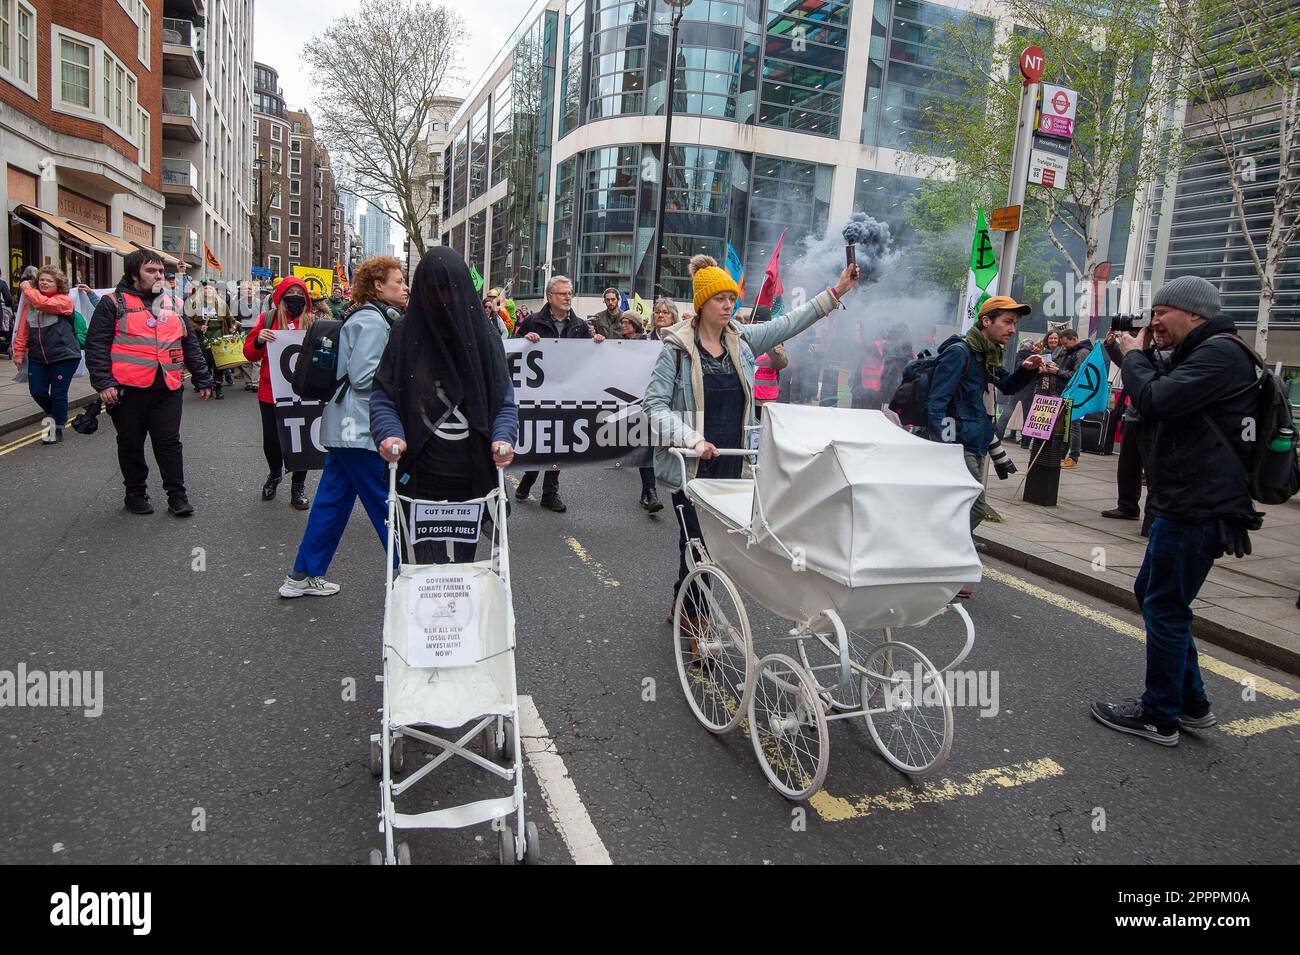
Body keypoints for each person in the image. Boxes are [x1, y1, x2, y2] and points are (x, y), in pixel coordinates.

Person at [645, 254, 860, 626]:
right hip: (692, 463)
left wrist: (836, 291)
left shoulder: (742, 341)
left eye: (731, 298)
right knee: (698, 544)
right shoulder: (675, 350)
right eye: (720, 299)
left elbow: (790, 323)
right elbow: (654, 407)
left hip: (733, 458)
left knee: (709, 546)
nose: (729, 305)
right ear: (701, 304)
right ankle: (697, 622)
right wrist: (693, 439)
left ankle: (683, 604)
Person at [1091, 276, 1261, 745]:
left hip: (1199, 503)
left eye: (1163, 312)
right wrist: (1124, 353)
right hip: (1186, 498)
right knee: (1156, 595)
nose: (1155, 321)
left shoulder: (1221, 354)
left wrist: (1134, 357)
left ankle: (1159, 714)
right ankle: (1191, 704)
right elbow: (1160, 384)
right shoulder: (1205, 351)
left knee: (1164, 605)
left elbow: (1155, 398)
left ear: (1194, 313)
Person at [370, 248, 519, 563]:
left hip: (473, 480)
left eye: (449, 291)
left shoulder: (484, 337)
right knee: (425, 575)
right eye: (434, 292)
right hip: (419, 480)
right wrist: (389, 434)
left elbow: (505, 400)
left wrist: (503, 436)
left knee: (466, 577)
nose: (443, 301)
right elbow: (383, 395)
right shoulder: (404, 334)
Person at [278, 256, 407, 597]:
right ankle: (410, 574)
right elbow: (365, 377)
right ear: (379, 286)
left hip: (344, 426)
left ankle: (302, 575)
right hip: (362, 430)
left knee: (331, 504)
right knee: (387, 504)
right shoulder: (375, 322)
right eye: (398, 281)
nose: (404, 287)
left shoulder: (364, 317)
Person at [84, 249, 214, 515]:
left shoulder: (175, 304)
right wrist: (104, 383)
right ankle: (135, 492)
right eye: (150, 271)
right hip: (127, 391)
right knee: (131, 443)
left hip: (167, 388)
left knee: (168, 442)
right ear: (134, 275)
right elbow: (96, 346)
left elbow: (189, 344)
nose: (158, 276)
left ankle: (177, 496)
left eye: (160, 271)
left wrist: (202, 377)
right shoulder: (112, 303)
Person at [927, 296, 1045, 535]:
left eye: (1015, 323)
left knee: (960, 507)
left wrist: (1026, 370)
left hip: (977, 441)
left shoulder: (985, 354)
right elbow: (936, 403)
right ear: (986, 321)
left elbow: (1008, 386)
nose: (1012, 329)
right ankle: (939, 547)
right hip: (959, 444)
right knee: (975, 508)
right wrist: (944, 445)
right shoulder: (961, 352)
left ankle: (950, 549)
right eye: (1007, 322)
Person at [512, 274, 606, 512]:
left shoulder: (580, 325)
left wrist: (596, 343)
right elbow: (513, 351)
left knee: (560, 443)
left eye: (570, 293)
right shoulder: (532, 322)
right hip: (538, 394)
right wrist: (525, 340)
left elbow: (587, 357)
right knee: (541, 441)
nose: (568, 297)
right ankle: (528, 479)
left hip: (567, 394)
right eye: (563, 293)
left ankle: (549, 493)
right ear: (550, 296)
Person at [243, 276, 314, 508]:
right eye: (291, 292)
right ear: (282, 296)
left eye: (300, 293)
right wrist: (259, 341)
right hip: (270, 391)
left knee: (300, 441)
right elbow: (249, 354)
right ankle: (274, 474)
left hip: (302, 394)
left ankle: (298, 485)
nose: (295, 297)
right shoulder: (268, 318)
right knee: (272, 440)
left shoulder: (311, 322)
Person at [10, 266, 85, 444]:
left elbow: (43, 303)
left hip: (64, 355)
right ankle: (59, 412)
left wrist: (27, 288)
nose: (44, 282)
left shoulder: (64, 301)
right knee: (37, 391)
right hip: (38, 357)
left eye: (49, 280)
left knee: (59, 393)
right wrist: (18, 352)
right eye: (41, 280)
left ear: (58, 284)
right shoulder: (31, 303)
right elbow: (23, 330)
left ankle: (55, 429)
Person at [616, 310, 664, 513]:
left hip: (646, 399)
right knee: (640, 444)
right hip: (624, 400)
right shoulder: (615, 344)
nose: (624, 325)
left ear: (636, 324)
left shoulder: (649, 345)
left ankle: (650, 492)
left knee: (647, 445)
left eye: (628, 322)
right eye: (622, 322)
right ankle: (649, 492)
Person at [1053, 328, 1093, 468]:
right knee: (1066, 426)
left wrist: (1058, 371)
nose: (1064, 346)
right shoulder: (1073, 351)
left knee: (1073, 426)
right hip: (1067, 391)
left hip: (1074, 393)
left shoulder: (1082, 352)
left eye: (1065, 343)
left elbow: (1077, 376)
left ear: (1073, 339)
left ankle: (1073, 456)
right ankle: (1063, 454)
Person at [744, 305, 787, 419]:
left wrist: (770, 344)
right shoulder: (745, 337)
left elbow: (782, 363)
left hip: (766, 400)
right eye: (754, 322)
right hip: (747, 397)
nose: (756, 326)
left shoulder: (774, 341)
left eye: (759, 323)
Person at [193, 282, 233, 399]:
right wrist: (199, 327)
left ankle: (219, 388)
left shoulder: (221, 304)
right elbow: (189, 321)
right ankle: (208, 386)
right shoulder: (196, 304)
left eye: (210, 288)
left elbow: (229, 318)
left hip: (218, 336)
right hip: (204, 337)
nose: (208, 290)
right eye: (205, 288)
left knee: (219, 364)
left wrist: (233, 325)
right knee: (206, 363)